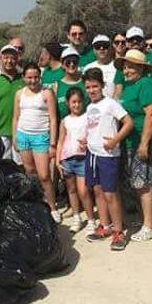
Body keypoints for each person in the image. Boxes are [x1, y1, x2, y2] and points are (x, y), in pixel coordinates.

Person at [83, 68, 134, 251]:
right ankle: (105, 225)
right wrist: (85, 140)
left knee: (111, 193)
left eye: (95, 86)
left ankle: (118, 231)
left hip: (108, 156)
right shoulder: (89, 107)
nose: (91, 90)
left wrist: (115, 140)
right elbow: (93, 127)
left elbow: (128, 122)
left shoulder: (111, 103)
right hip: (92, 154)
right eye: (88, 87)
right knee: (97, 190)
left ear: (103, 86)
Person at [115, 49, 152, 242]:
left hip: (143, 142)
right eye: (125, 67)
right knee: (135, 182)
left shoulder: (147, 85)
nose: (126, 71)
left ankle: (150, 226)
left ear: (141, 68)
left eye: (131, 66)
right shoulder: (129, 87)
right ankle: (145, 220)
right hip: (130, 142)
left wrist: (144, 143)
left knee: (143, 184)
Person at [13, 63, 60, 222]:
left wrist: (52, 143)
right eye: (29, 77)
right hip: (23, 135)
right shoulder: (19, 94)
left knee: (45, 175)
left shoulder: (46, 93)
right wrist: (15, 137)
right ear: (24, 78)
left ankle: (53, 207)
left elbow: (53, 119)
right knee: (29, 172)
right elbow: (16, 117)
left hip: (41, 137)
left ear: (40, 77)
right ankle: (36, 204)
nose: (33, 81)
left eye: (35, 77)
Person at [56, 87, 96, 233]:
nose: (76, 105)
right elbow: (61, 140)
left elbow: (93, 135)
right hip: (67, 159)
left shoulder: (87, 118)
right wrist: (58, 159)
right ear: (67, 103)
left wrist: (89, 141)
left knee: (83, 191)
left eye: (79, 101)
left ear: (83, 102)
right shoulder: (65, 121)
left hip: (83, 158)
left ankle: (91, 219)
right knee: (71, 190)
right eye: (73, 102)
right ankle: (76, 216)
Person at [52, 46, 88, 120]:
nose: (71, 64)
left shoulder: (86, 81)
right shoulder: (57, 86)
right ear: (62, 65)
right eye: (68, 62)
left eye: (74, 62)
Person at [83, 34, 124, 99]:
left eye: (105, 46)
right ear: (93, 49)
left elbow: (119, 90)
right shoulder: (87, 68)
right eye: (98, 46)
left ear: (110, 48)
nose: (101, 48)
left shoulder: (118, 66)